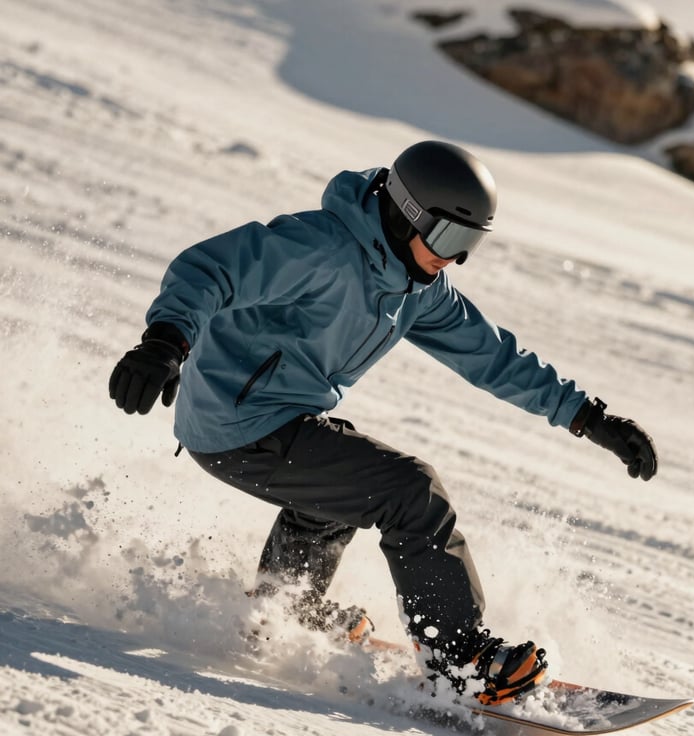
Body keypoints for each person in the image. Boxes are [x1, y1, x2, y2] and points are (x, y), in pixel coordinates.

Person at [109, 140, 657, 707]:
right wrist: (165, 343)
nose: (456, 258)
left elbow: (492, 357)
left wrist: (589, 418)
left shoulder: (417, 288)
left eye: (470, 244)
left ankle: (281, 612)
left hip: (277, 416)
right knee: (408, 491)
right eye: (448, 238)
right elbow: (211, 268)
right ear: (407, 213)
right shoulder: (320, 246)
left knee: (339, 493)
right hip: (237, 418)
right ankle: (459, 659)